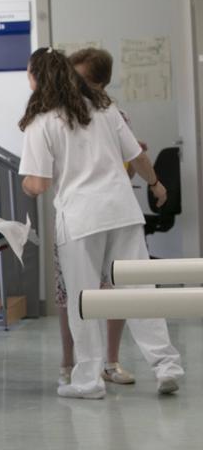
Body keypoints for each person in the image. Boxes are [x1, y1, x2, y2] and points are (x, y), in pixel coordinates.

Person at [18, 47, 183, 399]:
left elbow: (39, 184)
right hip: (121, 210)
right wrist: (155, 184)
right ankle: (167, 366)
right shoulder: (103, 108)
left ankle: (88, 381)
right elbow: (137, 156)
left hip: (80, 220)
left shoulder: (41, 121)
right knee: (141, 293)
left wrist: (25, 183)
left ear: (36, 78)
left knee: (84, 300)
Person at [52, 47, 146, 386]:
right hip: (75, 217)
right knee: (73, 295)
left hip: (112, 213)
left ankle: (110, 361)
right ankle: (70, 363)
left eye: (81, 78)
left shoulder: (115, 114)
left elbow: (130, 169)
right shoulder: (57, 115)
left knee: (115, 287)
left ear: (99, 82)